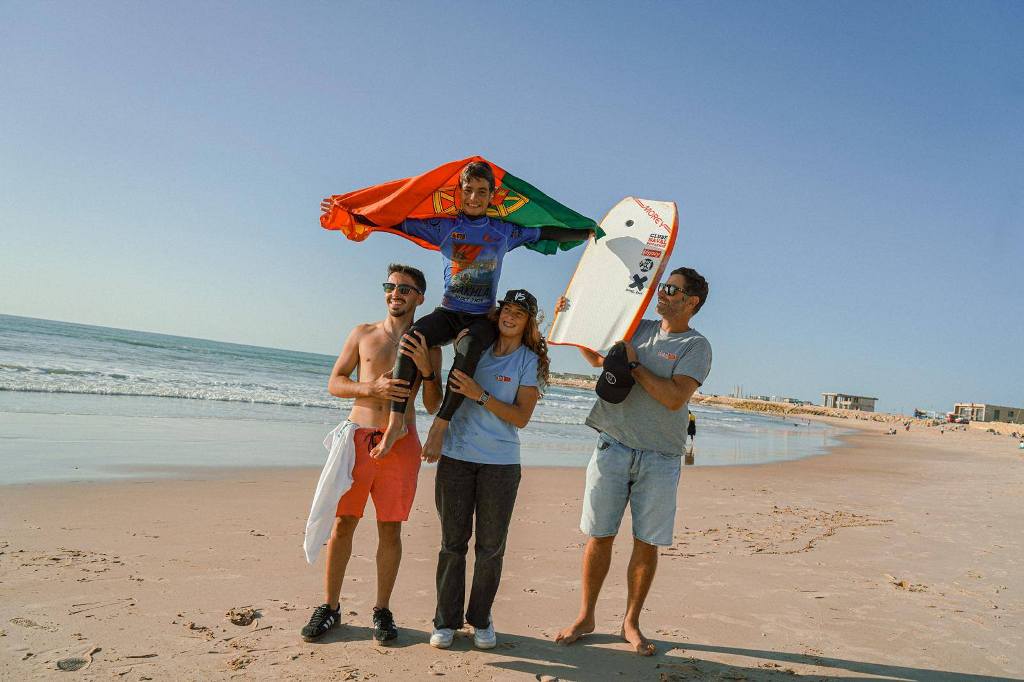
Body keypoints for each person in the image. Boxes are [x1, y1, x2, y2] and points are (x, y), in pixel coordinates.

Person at [365, 161, 590, 463]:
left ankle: (440, 425)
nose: (474, 198)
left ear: (492, 195)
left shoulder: (503, 232)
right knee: (411, 339)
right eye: (468, 190)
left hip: (481, 317)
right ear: (459, 192)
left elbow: (543, 231)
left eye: (482, 191)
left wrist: (584, 232)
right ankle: (396, 423)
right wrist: (358, 214)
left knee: (469, 348)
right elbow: (396, 220)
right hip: (448, 312)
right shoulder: (444, 228)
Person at [555, 267, 712, 656]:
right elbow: (597, 358)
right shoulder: (637, 327)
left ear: (691, 301)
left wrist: (635, 365)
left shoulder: (696, 345)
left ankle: (631, 622)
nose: (662, 292)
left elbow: (674, 398)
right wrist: (572, 321)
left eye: (671, 288)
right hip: (612, 443)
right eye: (662, 286)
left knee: (646, 541)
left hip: (660, 455)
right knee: (600, 534)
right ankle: (586, 616)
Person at [301, 264, 443, 645]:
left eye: (405, 289)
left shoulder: (429, 346)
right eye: (390, 287)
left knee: (390, 528)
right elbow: (335, 383)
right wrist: (372, 389)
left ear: (420, 297)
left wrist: (428, 371)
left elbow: (434, 403)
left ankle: (382, 609)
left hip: (402, 443)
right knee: (344, 523)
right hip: (358, 439)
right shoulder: (363, 334)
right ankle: (330, 606)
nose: (395, 294)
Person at [428, 289, 547, 650]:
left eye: (519, 314)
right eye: (506, 310)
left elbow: (521, 417)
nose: (510, 317)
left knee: (491, 548)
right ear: (498, 314)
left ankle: (480, 618)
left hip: (501, 464)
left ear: (528, 324)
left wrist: (479, 394)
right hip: (457, 458)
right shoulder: (474, 347)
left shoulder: (528, 361)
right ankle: (445, 621)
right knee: (452, 544)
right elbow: (444, 394)